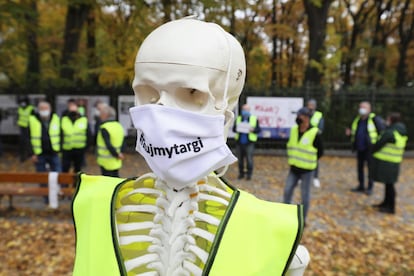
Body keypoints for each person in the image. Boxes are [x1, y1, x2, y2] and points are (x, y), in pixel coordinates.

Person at [72, 18, 309, 276]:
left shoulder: (271, 231)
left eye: (192, 92)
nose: (161, 111)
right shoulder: (91, 206)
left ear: (226, 104)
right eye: (148, 93)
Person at [283, 107, 323, 224]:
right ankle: (285, 214)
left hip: (307, 170)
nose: (298, 118)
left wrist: (309, 160)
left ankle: (302, 219)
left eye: (300, 116)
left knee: (305, 196)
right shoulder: (294, 130)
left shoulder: (315, 133)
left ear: (306, 118)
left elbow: (320, 151)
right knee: (287, 190)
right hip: (294, 168)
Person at [370, 112, 407, 214]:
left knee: (390, 185)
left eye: (387, 119)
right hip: (394, 161)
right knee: (388, 184)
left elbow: (379, 144)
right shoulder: (400, 130)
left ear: (391, 120)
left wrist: (372, 150)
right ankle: (386, 203)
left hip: (387, 161)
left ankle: (391, 207)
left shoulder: (390, 132)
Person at [345, 101, 385, 195]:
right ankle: (361, 185)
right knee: (360, 167)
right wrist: (349, 134)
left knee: (370, 168)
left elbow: (382, 132)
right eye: (360, 107)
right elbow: (354, 132)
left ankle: (370, 187)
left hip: (370, 148)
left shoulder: (374, 119)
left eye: (364, 107)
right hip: (360, 147)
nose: (361, 109)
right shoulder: (357, 120)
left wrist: (376, 145)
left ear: (369, 109)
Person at [28, 100, 61, 203]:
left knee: (58, 174)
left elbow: (61, 135)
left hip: (53, 152)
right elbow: (27, 138)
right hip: (39, 153)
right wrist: (31, 154)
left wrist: (60, 150)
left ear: (50, 109)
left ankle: (56, 195)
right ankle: (46, 197)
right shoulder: (32, 120)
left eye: (46, 109)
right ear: (38, 110)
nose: (44, 111)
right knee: (42, 176)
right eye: (42, 109)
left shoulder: (56, 119)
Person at [60, 100, 90, 174]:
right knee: (65, 168)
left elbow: (89, 134)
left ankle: (76, 184)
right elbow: (60, 134)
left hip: (79, 149)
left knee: (78, 169)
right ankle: (65, 184)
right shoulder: (64, 119)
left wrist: (86, 147)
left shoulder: (83, 120)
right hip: (66, 149)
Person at [95, 104, 125, 177]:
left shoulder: (104, 128)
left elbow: (108, 144)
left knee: (107, 181)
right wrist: (119, 153)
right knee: (115, 178)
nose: (100, 116)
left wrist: (116, 154)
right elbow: (123, 142)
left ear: (106, 115)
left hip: (106, 161)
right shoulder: (118, 126)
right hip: (116, 160)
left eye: (101, 114)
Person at [233, 104, 261, 180]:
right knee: (240, 160)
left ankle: (249, 175)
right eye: (244, 109)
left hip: (249, 143)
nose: (245, 111)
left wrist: (253, 130)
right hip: (239, 143)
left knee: (249, 159)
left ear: (249, 110)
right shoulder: (238, 118)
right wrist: (237, 128)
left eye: (246, 110)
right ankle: (241, 174)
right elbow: (234, 129)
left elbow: (258, 130)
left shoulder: (254, 119)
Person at [307, 98, 324, 188]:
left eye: (312, 105)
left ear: (315, 106)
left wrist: (311, 130)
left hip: (314, 140)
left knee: (315, 159)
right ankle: (302, 178)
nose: (310, 107)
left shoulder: (319, 115)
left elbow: (320, 129)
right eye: (309, 105)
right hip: (305, 141)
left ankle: (315, 177)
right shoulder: (305, 114)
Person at [17, 95, 34, 162]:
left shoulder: (30, 108)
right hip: (22, 127)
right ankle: (22, 157)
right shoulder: (20, 108)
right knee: (22, 142)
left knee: (28, 142)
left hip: (29, 127)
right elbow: (18, 117)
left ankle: (30, 154)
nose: (23, 103)